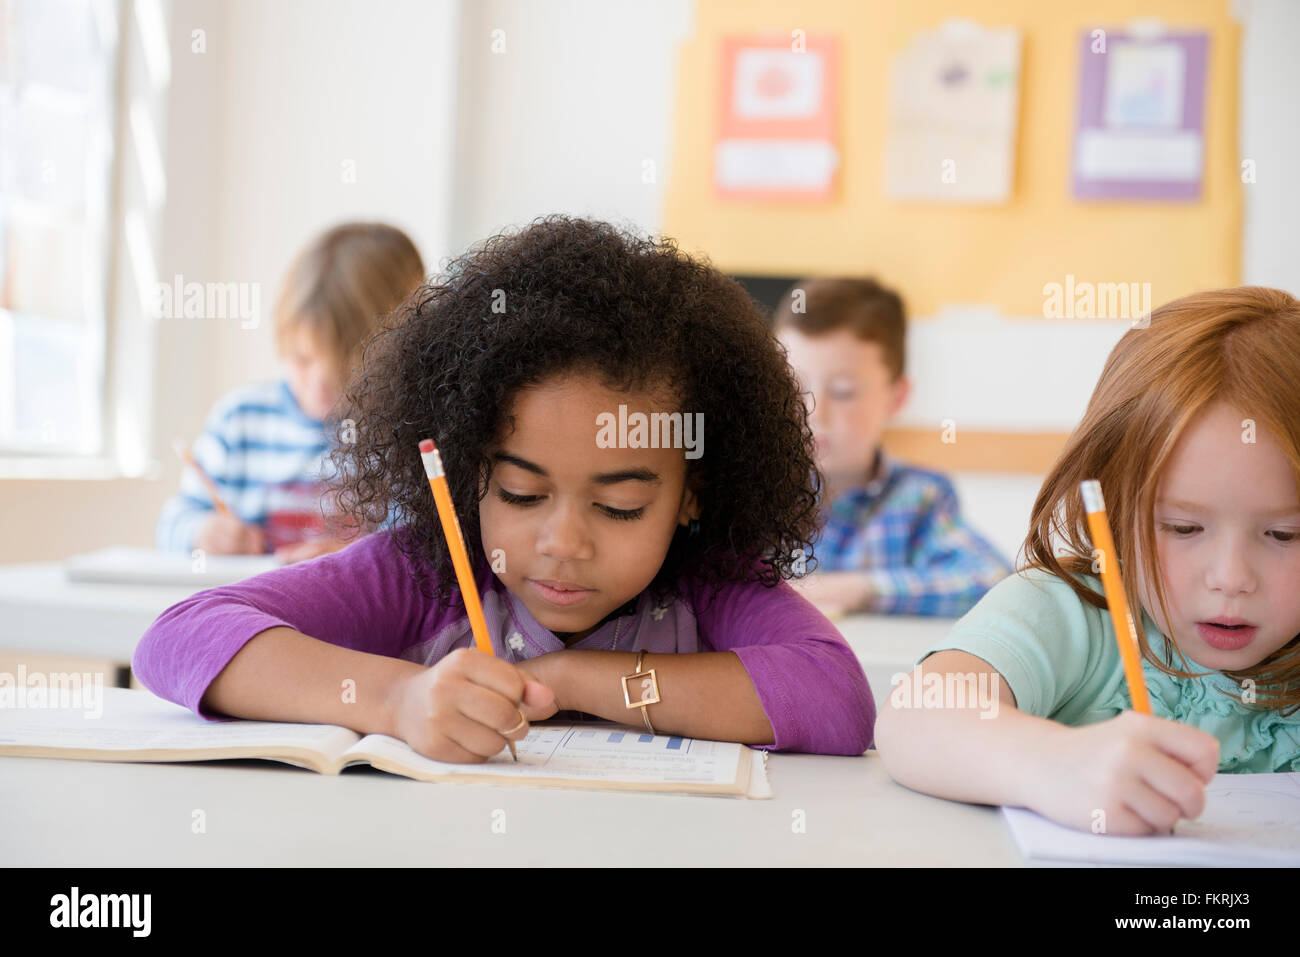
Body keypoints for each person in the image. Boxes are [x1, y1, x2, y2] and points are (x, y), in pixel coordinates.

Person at [134, 216, 875, 763]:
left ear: (692, 492)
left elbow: (837, 699)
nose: (563, 542)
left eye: (619, 505)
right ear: (467, 469)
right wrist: (399, 699)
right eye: (521, 493)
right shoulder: (424, 576)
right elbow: (177, 640)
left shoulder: (706, 586)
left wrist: (570, 677)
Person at [876, 287, 1300, 834]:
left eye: (1285, 534)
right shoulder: (1072, 611)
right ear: (1115, 506)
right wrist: (1048, 763)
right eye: (1183, 527)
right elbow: (915, 716)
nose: (1231, 579)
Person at [155, 222, 425, 563]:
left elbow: (424, 548)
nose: (319, 387)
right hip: (252, 612)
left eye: (348, 372)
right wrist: (202, 533)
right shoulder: (241, 422)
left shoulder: (407, 436)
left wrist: (356, 560)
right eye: (303, 360)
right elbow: (172, 523)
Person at [775, 277, 1011, 617]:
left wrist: (860, 589)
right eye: (793, 387)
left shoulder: (921, 497)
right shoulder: (751, 492)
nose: (814, 412)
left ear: (896, 398)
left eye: (843, 392)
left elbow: (993, 580)